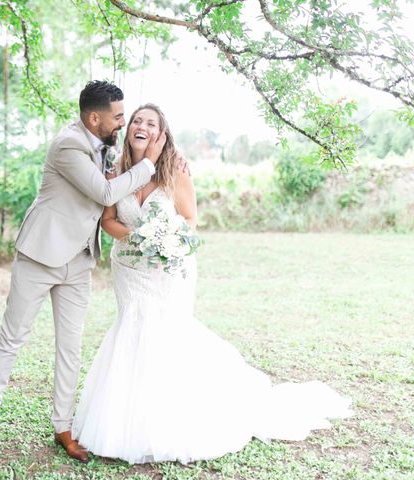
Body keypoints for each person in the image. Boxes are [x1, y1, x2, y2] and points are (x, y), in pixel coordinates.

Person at [71, 103, 353, 464]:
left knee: (166, 332)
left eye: (150, 122)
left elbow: (189, 218)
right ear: (129, 131)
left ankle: (171, 419)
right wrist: (137, 238)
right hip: (128, 268)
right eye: (137, 121)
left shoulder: (175, 170)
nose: (142, 125)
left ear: (161, 133)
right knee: (131, 329)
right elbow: (108, 220)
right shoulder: (116, 170)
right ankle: (128, 419)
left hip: (167, 269)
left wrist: (164, 240)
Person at [0, 82, 166, 463]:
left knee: (71, 346)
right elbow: (106, 194)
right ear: (95, 118)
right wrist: (149, 164)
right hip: (40, 254)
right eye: (118, 117)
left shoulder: (104, 144)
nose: (123, 123)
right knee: (13, 338)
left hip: (79, 260)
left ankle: (63, 427)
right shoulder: (68, 145)